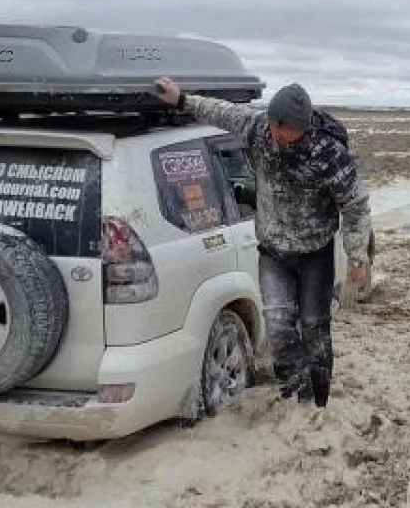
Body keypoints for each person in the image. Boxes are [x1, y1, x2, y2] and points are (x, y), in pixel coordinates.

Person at [152, 77, 373, 407]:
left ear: (303, 126)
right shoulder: (259, 130)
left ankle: (320, 401)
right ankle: (296, 396)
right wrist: (181, 98)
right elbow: (220, 112)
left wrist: (357, 257)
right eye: (273, 124)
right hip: (273, 252)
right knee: (279, 326)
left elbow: (355, 204)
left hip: (315, 253)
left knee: (314, 328)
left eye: (284, 128)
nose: (276, 133)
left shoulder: (329, 154)